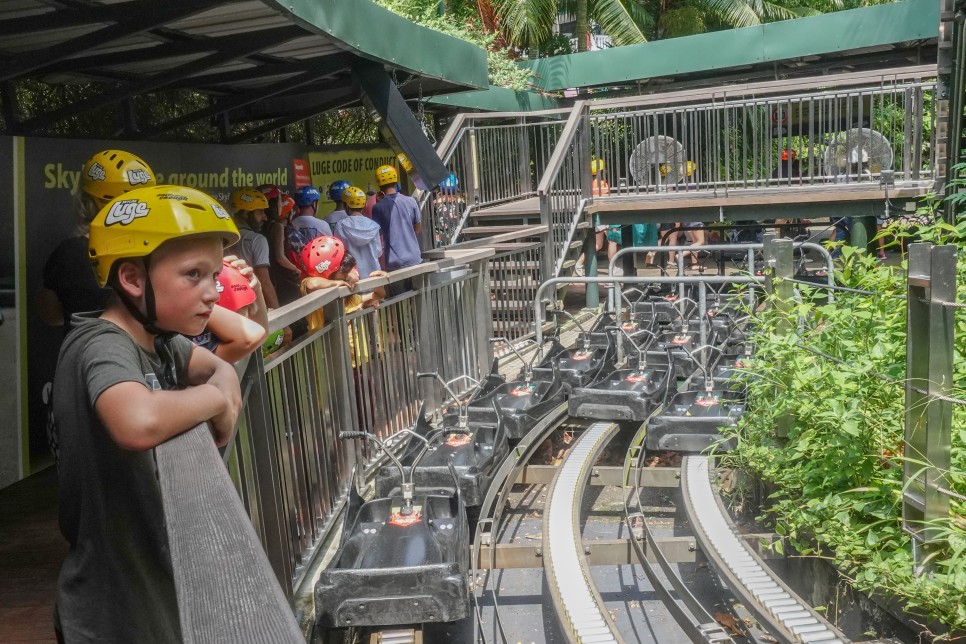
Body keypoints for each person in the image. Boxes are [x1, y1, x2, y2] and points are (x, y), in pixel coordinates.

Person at [51, 184, 243, 642]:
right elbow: (136, 422)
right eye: (193, 275)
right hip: (112, 612)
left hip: (147, 594)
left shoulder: (160, 341)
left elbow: (222, 369)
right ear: (134, 280)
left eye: (215, 275)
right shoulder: (102, 344)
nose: (213, 292)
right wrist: (216, 402)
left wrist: (224, 391)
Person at [38, 149, 156, 328]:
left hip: (85, 351)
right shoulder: (159, 251)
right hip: (146, 353)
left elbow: (52, 316)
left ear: (86, 202)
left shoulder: (69, 253)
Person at [187, 257, 268, 364]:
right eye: (237, 315)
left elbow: (261, 331)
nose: (245, 321)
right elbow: (252, 335)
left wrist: (256, 288)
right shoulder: (185, 347)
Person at [299, 236, 387, 333]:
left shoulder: (348, 297)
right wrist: (337, 283)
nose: (348, 275)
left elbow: (378, 295)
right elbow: (312, 284)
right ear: (327, 271)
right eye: (344, 273)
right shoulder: (311, 288)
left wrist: (378, 281)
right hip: (328, 346)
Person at [371, 164, 422, 295]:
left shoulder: (378, 208)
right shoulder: (411, 201)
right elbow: (418, 228)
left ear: (379, 184)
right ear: (396, 180)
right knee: (418, 298)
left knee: (399, 302)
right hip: (414, 258)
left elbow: (378, 233)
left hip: (394, 262)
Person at [229, 187, 280, 310]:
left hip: (228, 304)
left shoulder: (223, 236)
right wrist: (284, 323)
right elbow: (265, 282)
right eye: (260, 212)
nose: (265, 218)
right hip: (253, 307)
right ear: (246, 214)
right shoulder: (258, 240)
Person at [334, 186, 383, 280]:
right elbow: (378, 252)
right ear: (364, 205)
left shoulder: (341, 225)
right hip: (375, 277)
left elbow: (340, 252)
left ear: (346, 206)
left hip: (353, 278)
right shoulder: (374, 226)